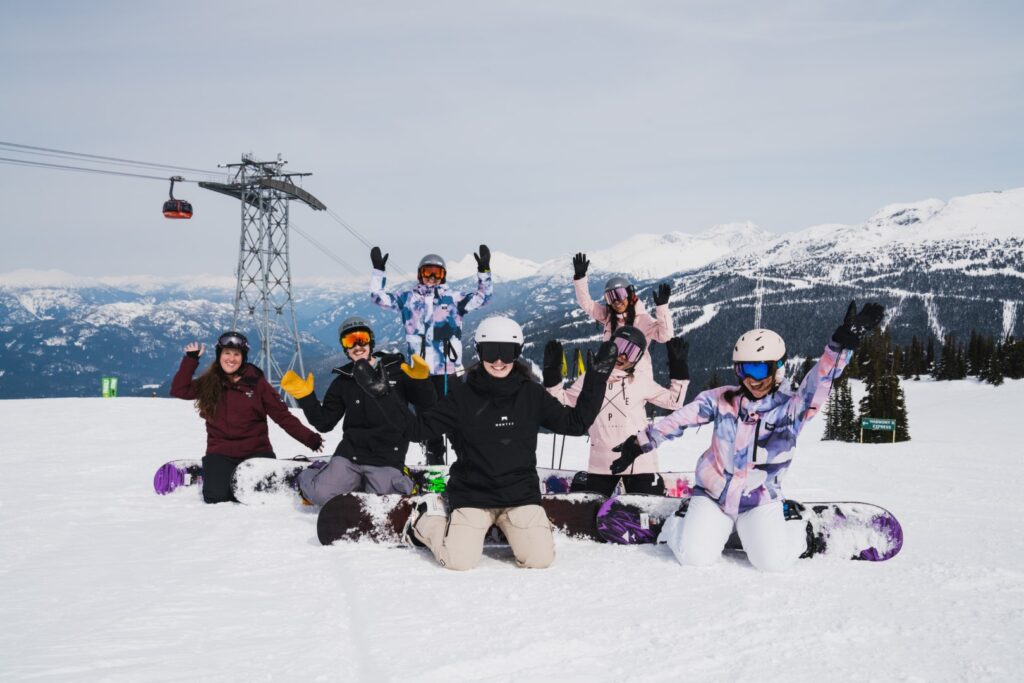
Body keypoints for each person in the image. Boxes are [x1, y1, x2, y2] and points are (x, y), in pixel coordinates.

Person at [610, 301, 885, 571]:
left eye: (758, 369)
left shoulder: (793, 407)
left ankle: (798, 525)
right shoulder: (722, 399)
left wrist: (839, 347)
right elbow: (682, 418)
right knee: (693, 557)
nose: (750, 378)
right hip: (713, 495)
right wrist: (641, 442)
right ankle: (683, 517)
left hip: (759, 497)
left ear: (777, 367)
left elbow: (821, 380)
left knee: (772, 563)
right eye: (743, 369)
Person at [352, 316, 618, 571]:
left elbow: (575, 424)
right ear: (479, 352)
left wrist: (596, 379)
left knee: (540, 559)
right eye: (491, 352)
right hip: (472, 494)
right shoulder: (462, 397)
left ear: (518, 352)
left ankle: (509, 529)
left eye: (507, 351)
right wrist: (383, 396)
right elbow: (416, 429)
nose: (499, 360)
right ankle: (427, 519)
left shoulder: (531, 394)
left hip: (519, 495)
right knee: (458, 561)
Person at [278, 317, 436, 506]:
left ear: (371, 340)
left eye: (361, 338)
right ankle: (318, 472)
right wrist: (305, 396)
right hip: (350, 454)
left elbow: (427, 405)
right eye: (349, 341)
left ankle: (402, 478)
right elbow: (324, 423)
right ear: (345, 348)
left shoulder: (396, 371)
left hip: (387, 455)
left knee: (384, 505)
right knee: (322, 495)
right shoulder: (343, 382)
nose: (357, 346)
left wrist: (421, 382)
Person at [370, 245, 493, 465]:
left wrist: (484, 270)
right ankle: (434, 465)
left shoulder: (454, 299)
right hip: (420, 374)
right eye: (428, 272)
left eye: (438, 273)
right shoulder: (408, 299)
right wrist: (378, 271)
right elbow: (378, 297)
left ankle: (470, 466)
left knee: (457, 422)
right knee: (428, 424)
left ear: (444, 276)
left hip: (448, 373)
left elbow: (483, 298)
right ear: (420, 274)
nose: (433, 278)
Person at [170, 331, 324, 504]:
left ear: (243, 358)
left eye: (236, 354)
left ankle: (222, 475)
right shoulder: (210, 382)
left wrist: (310, 438)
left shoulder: (256, 383)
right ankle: (214, 473)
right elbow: (179, 390)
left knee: (257, 497)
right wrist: (191, 360)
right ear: (219, 355)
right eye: (226, 353)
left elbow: (283, 416)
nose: (231, 358)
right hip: (221, 452)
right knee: (215, 497)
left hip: (256, 453)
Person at [544, 326, 690, 496]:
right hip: (601, 464)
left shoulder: (641, 381)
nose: (623, 355)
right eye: (620, 346)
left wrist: (678, 367)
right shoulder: (591, 377)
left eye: (632, 352)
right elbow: (560, 399)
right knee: (592, 515)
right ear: (610, 347)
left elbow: (674, 401)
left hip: (639, 463)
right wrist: (552, 373)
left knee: (644, 516)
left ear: (638, 359)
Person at [571, 252, 672, 377]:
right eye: (610, 298)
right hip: (612, 377)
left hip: (638, 378)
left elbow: (665, 336)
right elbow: (586, 304)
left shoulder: (642, 320)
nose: (616, 301)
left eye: (620, 295)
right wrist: (580, 278)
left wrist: (662, 308)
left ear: (630, 296)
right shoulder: (608, 316)